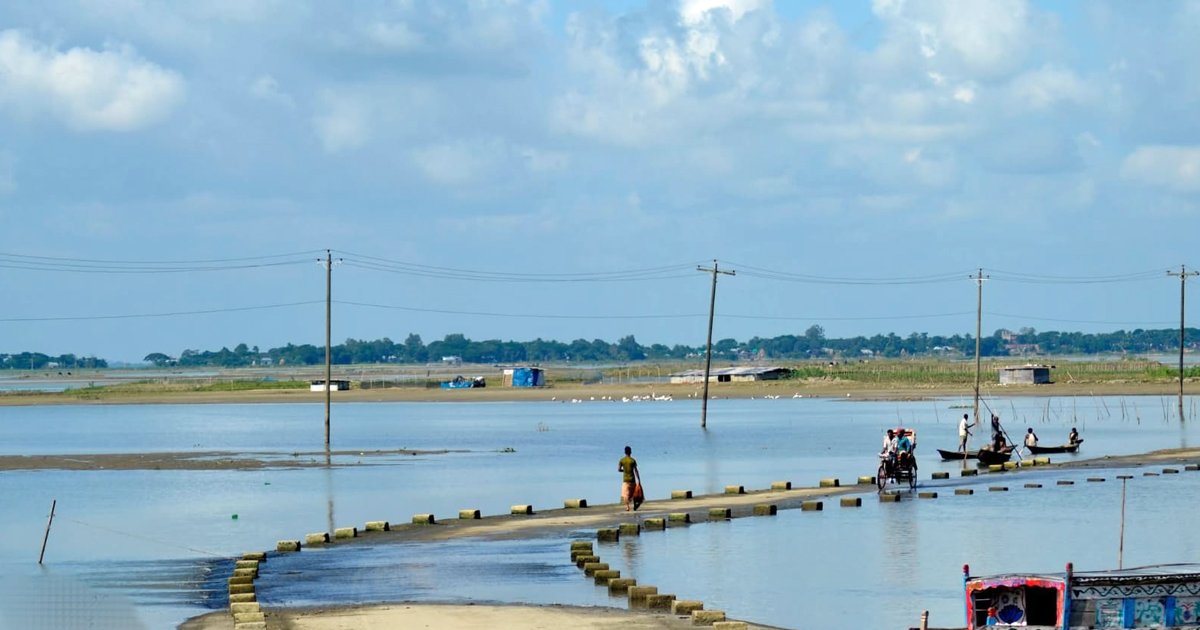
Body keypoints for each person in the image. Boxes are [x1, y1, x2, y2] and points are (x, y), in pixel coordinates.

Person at [618, 445, 641, 512]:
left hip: (625, 480)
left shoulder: (622, 460)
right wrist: (638, 479)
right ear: (630, 452)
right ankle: (634, 505)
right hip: (632, 480)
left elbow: (619, 469)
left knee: (625, 495)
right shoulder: (633, 460)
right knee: (634, 494)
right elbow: (636, 470)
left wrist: (624, 470)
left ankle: (627, 507)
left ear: (624, 452)